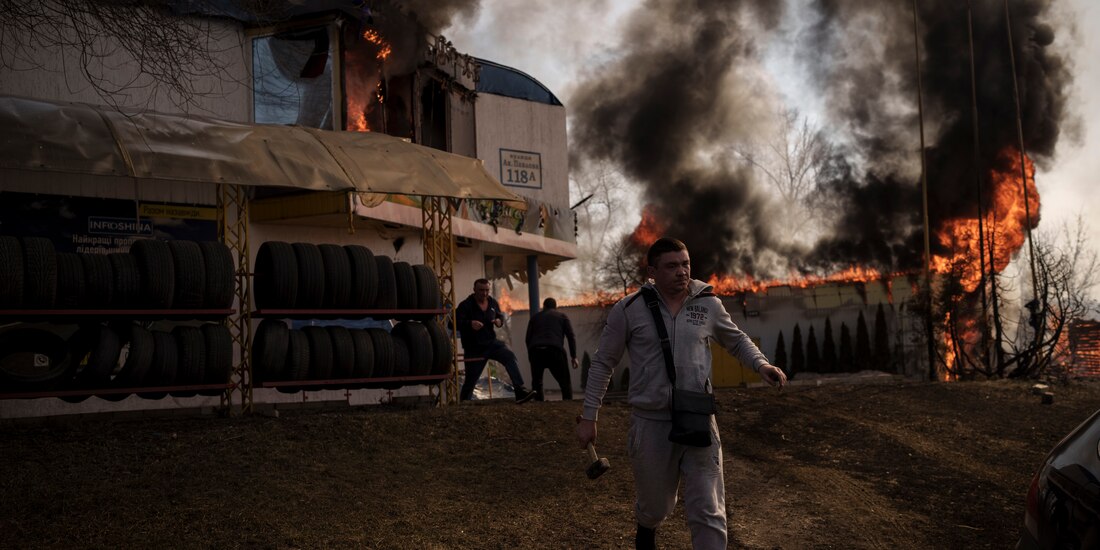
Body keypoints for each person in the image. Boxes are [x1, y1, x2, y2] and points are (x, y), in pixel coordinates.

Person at [575, 237, 787, 549]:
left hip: (698, 418)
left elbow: (737, 340)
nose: (681, 271)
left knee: (708, 509)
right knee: (656, 507)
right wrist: (589, 416)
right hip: (651, 424)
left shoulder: (708, 304)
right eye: (672, 265)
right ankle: (646, 528)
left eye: (685, 264)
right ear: (653, 271)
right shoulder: (628, 309)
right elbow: (603, 363)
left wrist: (761, 365)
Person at [456, 278, 536, 404]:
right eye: (481, 290)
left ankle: (520, 390)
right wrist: (469, 323)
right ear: (474, 290)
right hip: (474, 348)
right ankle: (464, 403)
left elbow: (499, 316)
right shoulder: (465, 305)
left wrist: (499, 322)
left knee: (509, 356)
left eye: (487, 290)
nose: (484, 293)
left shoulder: (492, 303)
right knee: (471, 379)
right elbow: (452, 324)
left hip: (491, 343)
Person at [525, 297, 579, 401]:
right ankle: (568, 404)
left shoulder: (535, 318)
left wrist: (531, 355)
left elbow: (528, 339)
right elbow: (571, 336)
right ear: (555, 307)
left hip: (536, 351)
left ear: (544, 307)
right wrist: (574, 356)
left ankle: (539, 406)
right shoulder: (562, 317)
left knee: (537, 383)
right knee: (565, 383)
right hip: (555, 351)